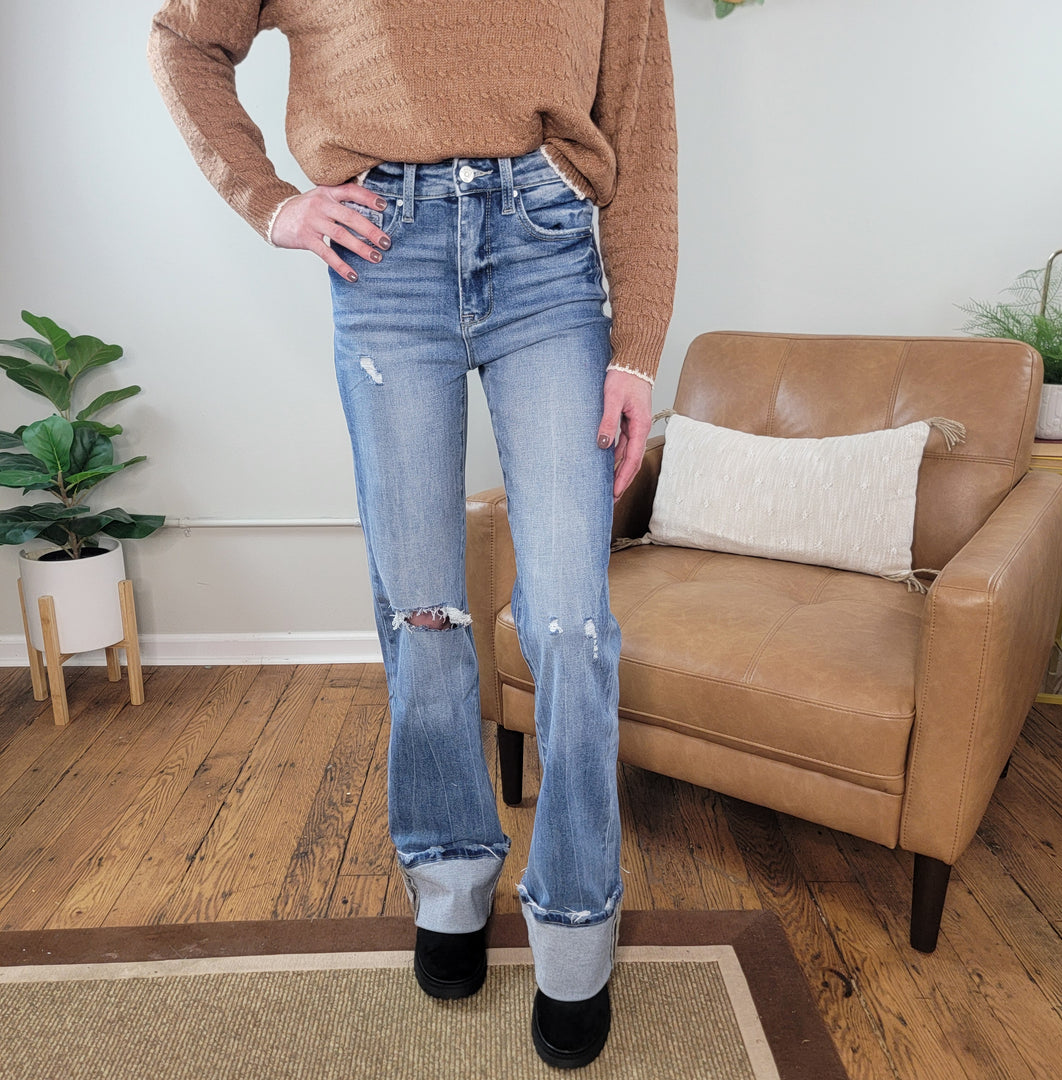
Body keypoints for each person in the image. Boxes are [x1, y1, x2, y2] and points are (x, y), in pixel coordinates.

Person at [148, 1, 677, 1068]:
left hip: (548, 253)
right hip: (384, 253)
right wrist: (273, 204)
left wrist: (637, 348)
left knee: (571, 622)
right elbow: (182, 39)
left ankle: (577, 921)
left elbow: (644, 126)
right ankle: (450, 880)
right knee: (422, 609)